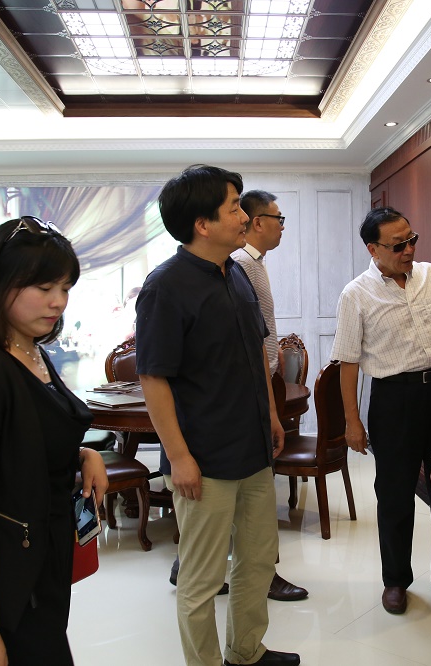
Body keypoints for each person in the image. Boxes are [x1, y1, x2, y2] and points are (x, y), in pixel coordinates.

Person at [136, 165, 298, 666]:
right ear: (202, 224)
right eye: (233, 208)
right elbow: (154, 379)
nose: (244, 216)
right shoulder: (165, 287)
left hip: (253, 448)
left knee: (257, 561)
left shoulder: (237, 274)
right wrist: (179, 457)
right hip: (203, 460)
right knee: (202, 578)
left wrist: (271, 415)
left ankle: (246, 652)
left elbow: (256, 355)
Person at [0, 215, 109, 665]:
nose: (58, 301)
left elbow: (25, 438)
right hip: (8, 571)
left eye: (65, 288)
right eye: (43, 287)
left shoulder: (33, 349)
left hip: (46, 551)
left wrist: (82, 454)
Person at [331, 207, 431, 615]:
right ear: (373, 249)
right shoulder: (356, 294)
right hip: (393, 401)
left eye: (412, 240)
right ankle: (396, 580)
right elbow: (347, 362)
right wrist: (352, 422)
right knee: (395, 495)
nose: (409, 250)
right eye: (398, 245)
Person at [231, 189, 308, 603]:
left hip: (261, 381)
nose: (282, 227)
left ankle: (193, 563)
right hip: (253, 387)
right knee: (253, 491)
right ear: (257, 221)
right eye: (279, 219)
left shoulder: (252, 263)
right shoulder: (243, 264)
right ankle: (265, 573)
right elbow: (252, 333)